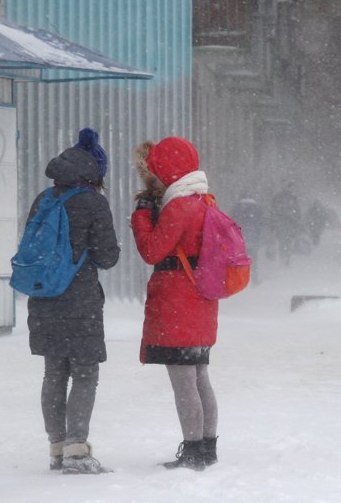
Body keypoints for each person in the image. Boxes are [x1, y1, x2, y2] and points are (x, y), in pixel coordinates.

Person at [26, 128, 120, 474]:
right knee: (84, 373)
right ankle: (77, 451)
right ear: (94, 172)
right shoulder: (94, 202)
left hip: (44, 296)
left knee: (54, 372)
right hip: (80, 300)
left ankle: (56, 447)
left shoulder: (44, 198)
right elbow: (107, 256)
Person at [130, 137, 219, 471]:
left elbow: (152, 250)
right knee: (199, 377)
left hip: (177, 303)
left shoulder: (179, 206)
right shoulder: (205, 200)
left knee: (184, 381)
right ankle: (207, 447)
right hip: (200, 301)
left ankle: (194, 451)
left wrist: (141, 216)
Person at [231, 193, 263, 282]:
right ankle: (254, 278)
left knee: (240, 259)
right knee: (253, 258)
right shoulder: (256, 208)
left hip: (240, 237)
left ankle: (240, 279)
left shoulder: (237, 207)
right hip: (253, 236)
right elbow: (260, 222)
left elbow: (231, 222)